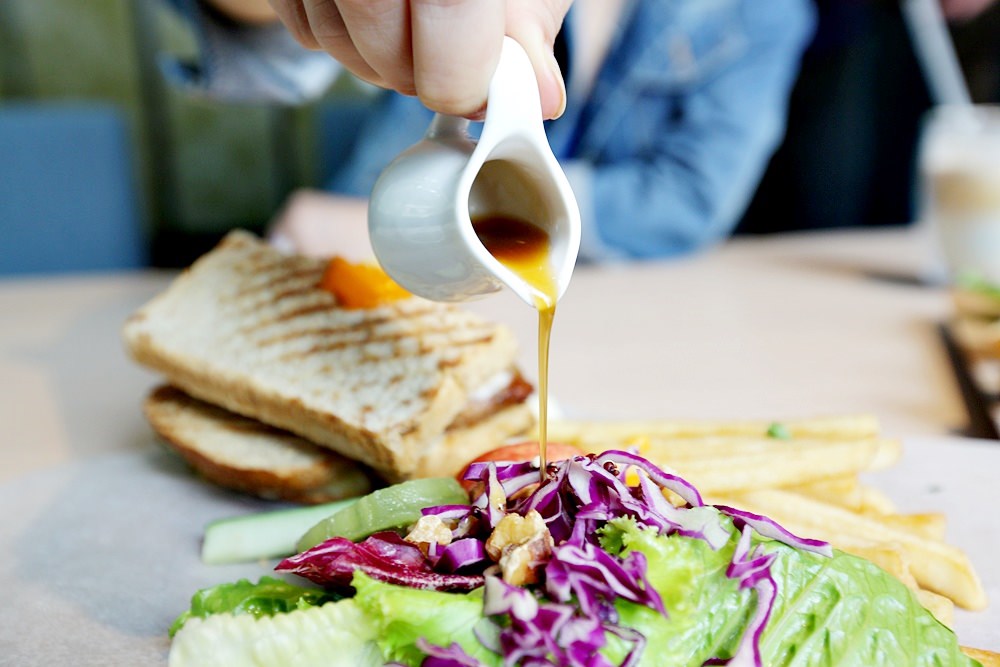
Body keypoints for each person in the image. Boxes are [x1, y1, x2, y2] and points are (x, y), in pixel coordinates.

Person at [163, 0, 816, 261]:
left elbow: (687, 204)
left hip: (620, 314)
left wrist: (498, 220)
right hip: (391, 282)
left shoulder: (760, 13)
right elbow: (280, 51)